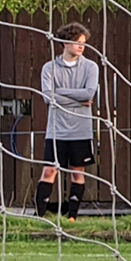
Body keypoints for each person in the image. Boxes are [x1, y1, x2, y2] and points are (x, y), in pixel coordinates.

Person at [37, 24, 100, 222]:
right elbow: (48, 97)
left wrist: (60, 93)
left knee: (77, 172)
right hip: (56, 131)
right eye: (77, 42)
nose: (81, 46)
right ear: (65, 43)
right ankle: (40, 215)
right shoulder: (49, 68)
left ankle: (72, 217)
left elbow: (89, 94)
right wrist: (77, 100)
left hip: (81, 130)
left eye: (83, 43)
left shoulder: (91, 67)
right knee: (49, 171)